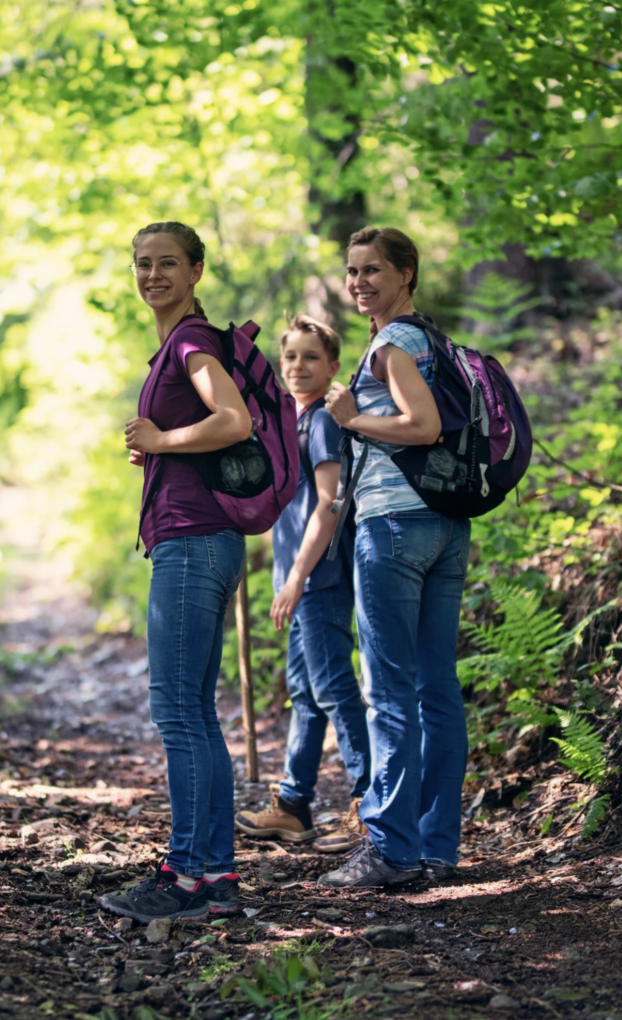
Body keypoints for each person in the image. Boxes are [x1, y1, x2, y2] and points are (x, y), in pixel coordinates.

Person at [97, 222, 252, 923]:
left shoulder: (191, 342)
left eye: (167, 264)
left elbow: (235, 419)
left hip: (193, 544)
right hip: (199, 541)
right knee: (195, 713)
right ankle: (213, 874)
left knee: (179, 711)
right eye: (142, 264)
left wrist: (164, 438)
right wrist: (163, 451)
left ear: (195, 270)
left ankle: (186, 874)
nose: (152, 274)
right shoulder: (176, 345)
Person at [318, 227, 471, 888]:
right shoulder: (434, 340)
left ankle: (391, 848)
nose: (359, 283)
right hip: (444, 524)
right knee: (436, 689)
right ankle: (437, 845)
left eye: (373, 270)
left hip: (394, 525)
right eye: (352, 272)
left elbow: (424, 426)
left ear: (406, 273)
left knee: (390, 691)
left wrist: (351, 419)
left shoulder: (391, 345)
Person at [234, 315, 370, 854]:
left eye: (311, 357)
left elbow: (330, 503)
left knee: (336, 692)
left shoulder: (323, 425)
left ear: (333, 366)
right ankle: (293, 806)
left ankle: (369, 804)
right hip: (297, 580)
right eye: (289, 356)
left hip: (321, 579)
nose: (298, 367)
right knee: (305, 696)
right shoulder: (291, 422)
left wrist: (296, 578)